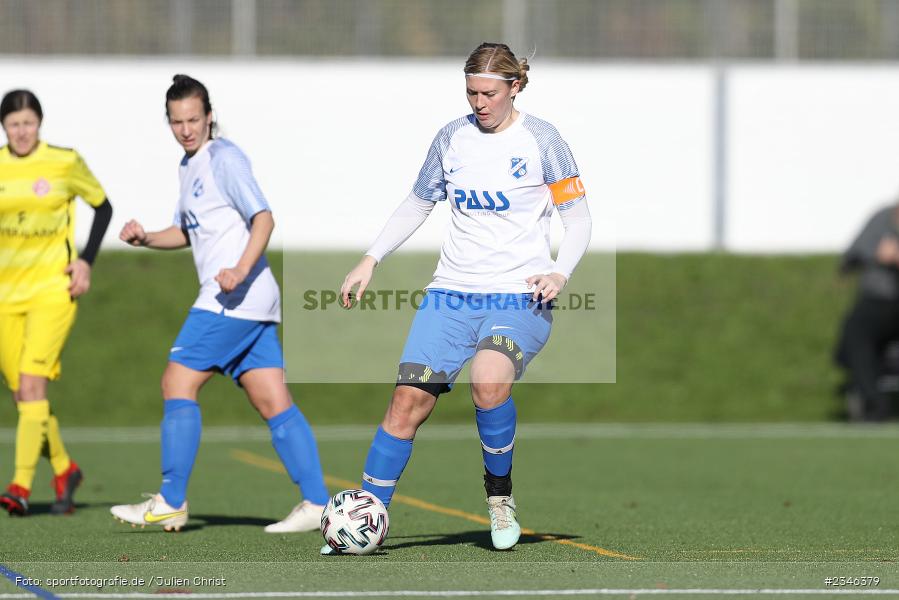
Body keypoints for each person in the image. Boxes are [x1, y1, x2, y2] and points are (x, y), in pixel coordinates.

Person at [333, 43, 592, 553]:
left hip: (520, 296)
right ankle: (361, 521)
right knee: (406, 402)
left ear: (515, 86)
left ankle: (500, 500)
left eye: (489, 93)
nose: (479, 102)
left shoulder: (543, 139)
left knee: (488, 380)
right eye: (471, 92)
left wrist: (560, 273)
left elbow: (578, 217)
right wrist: (371, 258)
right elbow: (418, 202)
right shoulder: (452, 138)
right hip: (450, 296)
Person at [111, 74, 329, 532]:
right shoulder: (188, 165)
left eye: (194, 119)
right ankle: (316, 504)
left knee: (177, 382)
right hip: (253, 300)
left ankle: (170, 499)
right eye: (177, 122)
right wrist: (146, 237)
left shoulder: (224, 158)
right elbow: (187, 231)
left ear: (210, 117)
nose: (186, 129)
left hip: (234, 296)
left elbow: (264, 220)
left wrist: (239, 269)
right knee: (272, 400)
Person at [0, 89, 113, 516]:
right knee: (25, 399)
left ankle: (20, 485)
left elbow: (103, 208)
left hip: (52, 292)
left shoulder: (64, 161)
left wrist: (85, 261)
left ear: (40, 123)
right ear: (4, 127)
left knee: (32, 387)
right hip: (5, 298)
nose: (22, 131)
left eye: (28, 122)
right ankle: (65, 469)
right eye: (14, 124)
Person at [835, 202, 899, 421]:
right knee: (855, 337)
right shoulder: (882, 219)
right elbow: (851, 257)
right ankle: (875, 403)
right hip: (878, 302)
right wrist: (877, 254)